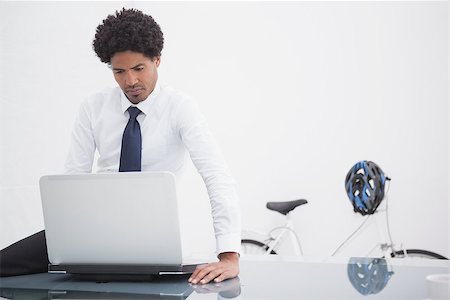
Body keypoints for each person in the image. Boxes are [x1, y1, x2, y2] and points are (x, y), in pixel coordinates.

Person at [1, 8, 241, 284]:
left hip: (153, 234)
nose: (130, 81)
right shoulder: (93, 106)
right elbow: (73, 180)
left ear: (157, 61)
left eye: (139, 68)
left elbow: (217, 176)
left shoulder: (180, 108)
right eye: (119, 71)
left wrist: (229, 255)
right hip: (94, 228)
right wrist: (68, 233)